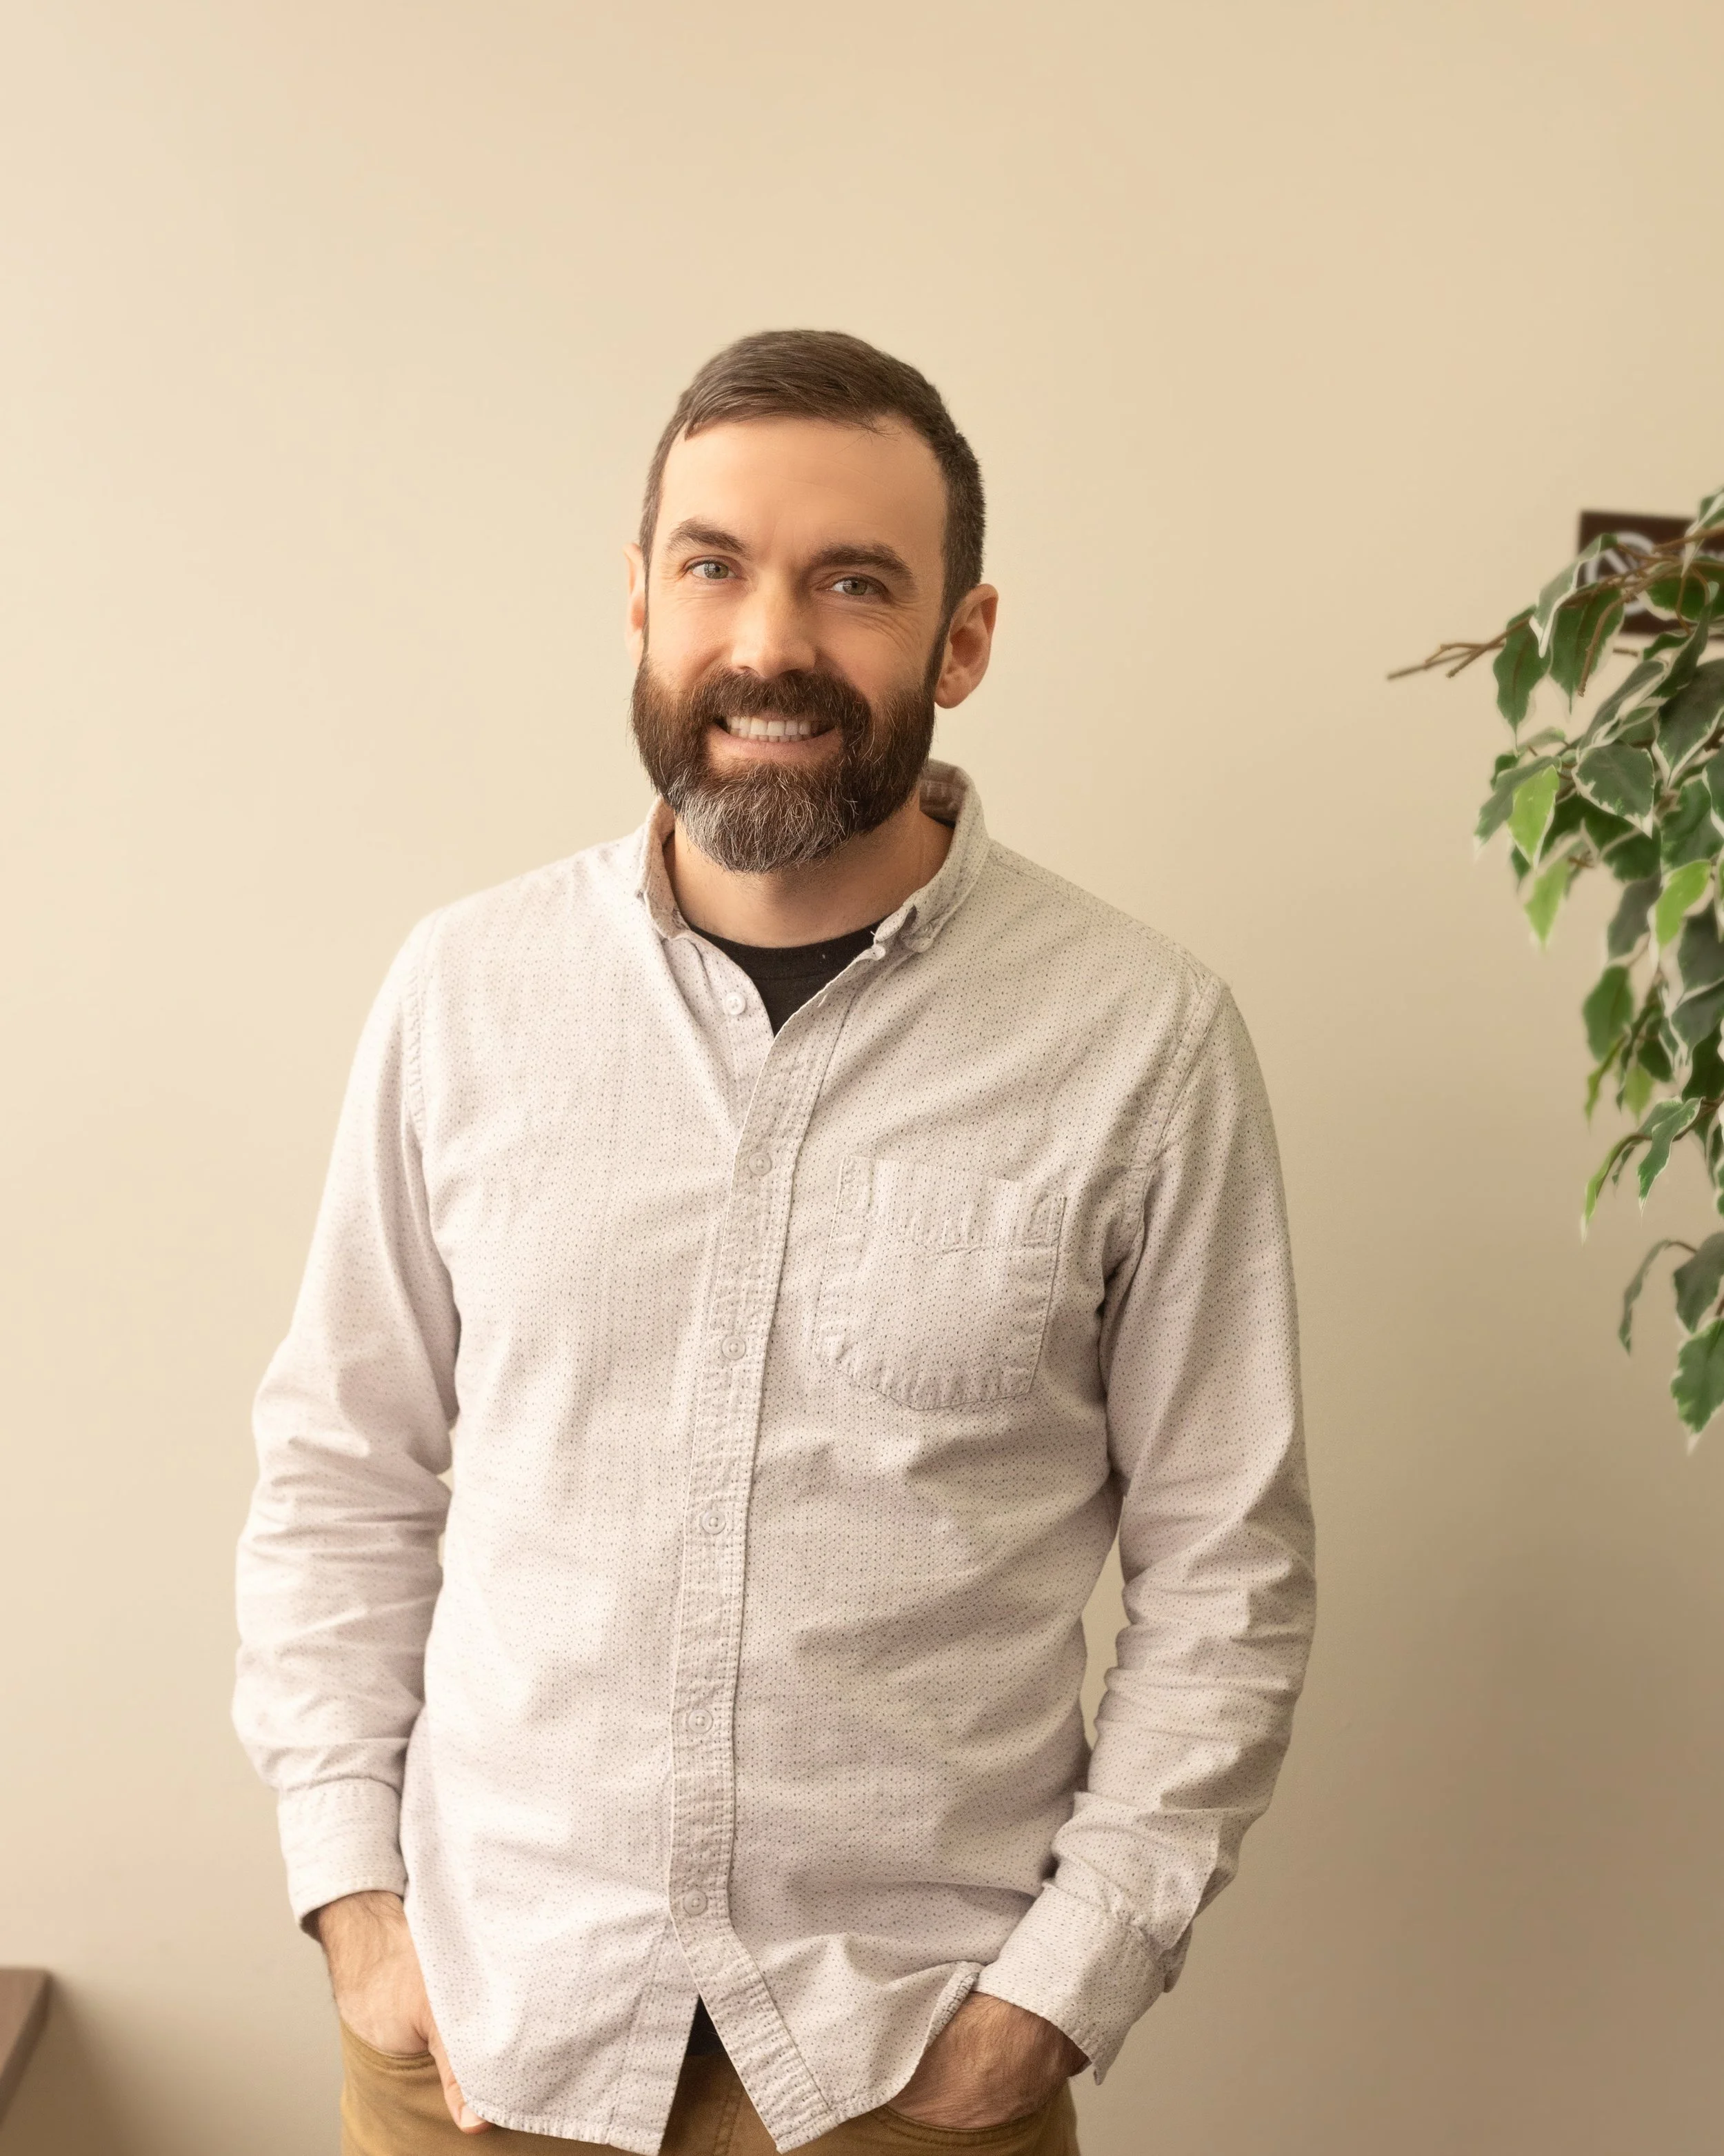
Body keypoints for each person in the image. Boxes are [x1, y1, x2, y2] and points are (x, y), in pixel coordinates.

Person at [234, 329, 1315, 2156]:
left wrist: (1054, 1995)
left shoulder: (1146, 1039)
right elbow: (344, 1465)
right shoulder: (462, 994)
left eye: (854, 582)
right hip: (483, 2053)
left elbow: (1227, 1574)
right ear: (640, 599)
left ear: (960, 638)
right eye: (712, 565)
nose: (766, 645)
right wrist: (356, 1908)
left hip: (904, 2080)